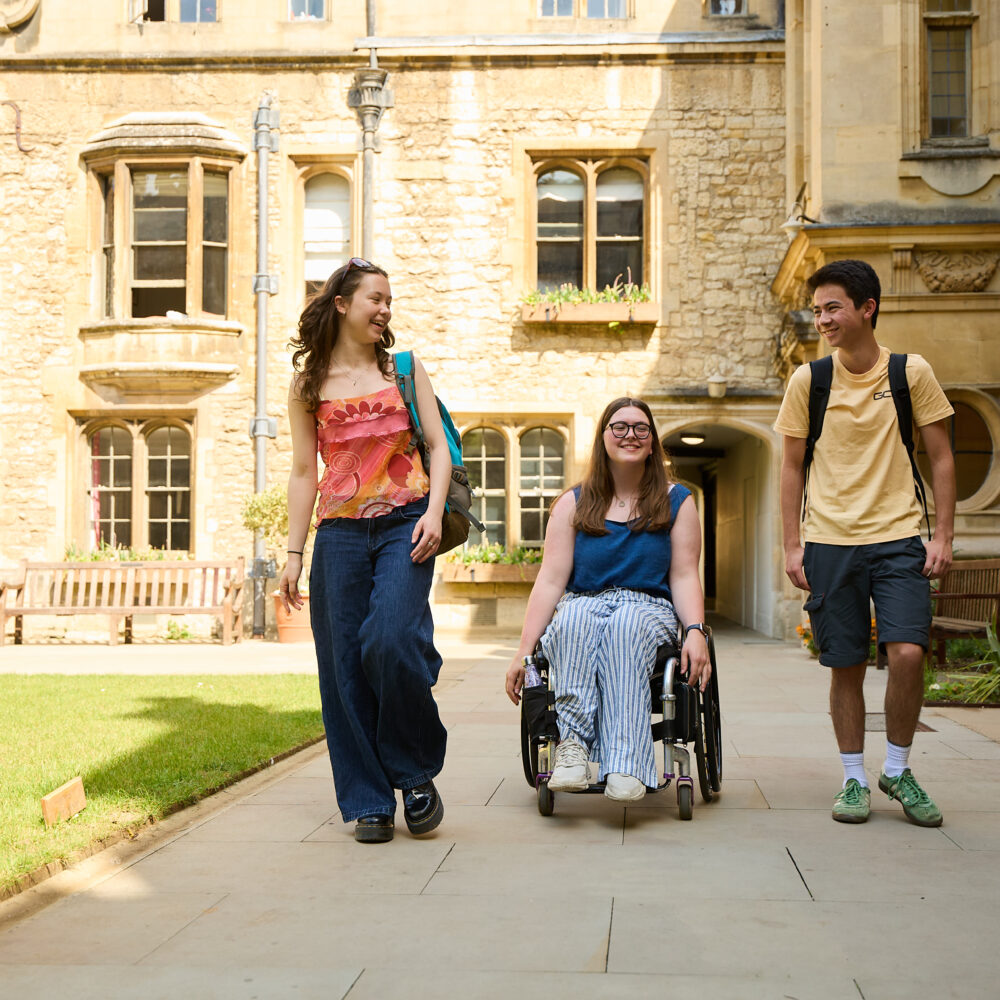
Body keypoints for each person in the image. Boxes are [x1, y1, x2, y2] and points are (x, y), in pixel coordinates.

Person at [775, 259, 955, 827]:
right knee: (845, 664)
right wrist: (791, 545)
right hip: (830, 542)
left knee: (907, 653)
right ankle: (854, 779)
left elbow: (943, 457)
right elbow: (790, 467)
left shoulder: (910, 372)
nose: (821, 318)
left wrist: (944, 536)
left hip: (900, 537)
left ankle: (897, 769)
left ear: (866, 309)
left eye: (832, 307)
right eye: (818, 308)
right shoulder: (810, 380)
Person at [279, 257, 451, 844]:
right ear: (343, 304)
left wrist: (432, 511)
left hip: (406, 524)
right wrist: (293, 553)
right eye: (375, 298)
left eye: (389, 301)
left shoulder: (403, 369)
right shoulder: (308, 386)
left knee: (392, 640)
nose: (385, 310)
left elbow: (439, 446)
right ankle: (368, 800)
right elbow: (304, 472)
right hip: (341, 535)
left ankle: (415, 770)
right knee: (342, 667)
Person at [504, 397, 711, 801]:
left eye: (640, 428)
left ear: (652, 443)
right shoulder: (573, 503)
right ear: (603, 438)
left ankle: (626, 763)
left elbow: (685, 574)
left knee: (625, 626)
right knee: (572, 622)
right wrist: (523, 651)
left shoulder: (677, 501)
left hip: (648, 607)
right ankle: (573, 750)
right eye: (619, 427)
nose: (629, 435)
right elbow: (550, 580)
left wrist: (696, 631)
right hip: (584, 601)